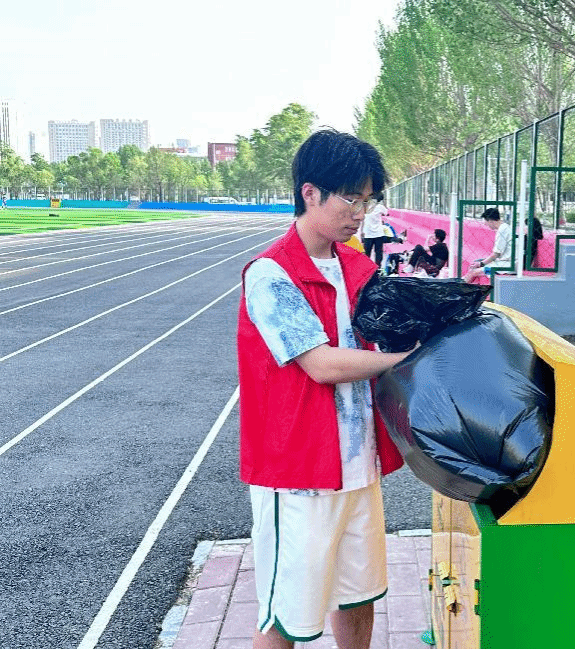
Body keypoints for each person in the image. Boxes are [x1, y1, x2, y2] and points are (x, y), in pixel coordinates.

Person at [237, 129, 416, 649]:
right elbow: (319, 365)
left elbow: (391, 328)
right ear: (310, 193)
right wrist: (408, 359)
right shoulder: (272, 274)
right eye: (350, 199)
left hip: (359, 466)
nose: (360, 213)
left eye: (368, 201)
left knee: (360, 597)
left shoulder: (357, 266)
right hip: (299, 473)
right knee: (284, 617)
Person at [463, 207, 513, 283]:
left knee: (473, 272)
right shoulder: (505, 227)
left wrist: (481, 263)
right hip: (505, 262)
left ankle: (461, 287)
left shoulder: (502, 231)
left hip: (505, 267)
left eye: (486, 224)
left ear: (490, 221)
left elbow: (496, 254)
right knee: (475, 265)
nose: (487, 226)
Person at [361, 193, 404, 266]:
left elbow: (363, 220)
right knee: (378, 252)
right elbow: (386, 213)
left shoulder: (365, 206)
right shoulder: (380, 207)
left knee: (367, 252)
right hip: (378, 233)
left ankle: (366, 267)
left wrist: (362, 232)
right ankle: (378, 267)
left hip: (368, 233)